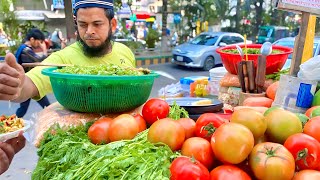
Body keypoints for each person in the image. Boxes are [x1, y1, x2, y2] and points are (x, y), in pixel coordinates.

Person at [0, 0, 135, 104]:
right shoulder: (64, 58)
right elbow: (30, 84)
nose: (89, 31)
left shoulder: (125, 52)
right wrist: (17, 86)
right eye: (83, 24)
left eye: (97, 24)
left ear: (112, 25)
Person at [14, 28, 51, 118]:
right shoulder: (25, 50)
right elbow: (37, 61)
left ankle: (11, 123)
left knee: (46, 106)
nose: (39, 45)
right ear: (32, 39)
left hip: (29, 82)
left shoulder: (24, 48)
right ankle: (10, 123)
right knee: (23, 110)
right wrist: (44, 51)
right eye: (38, 42)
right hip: (27, 83)